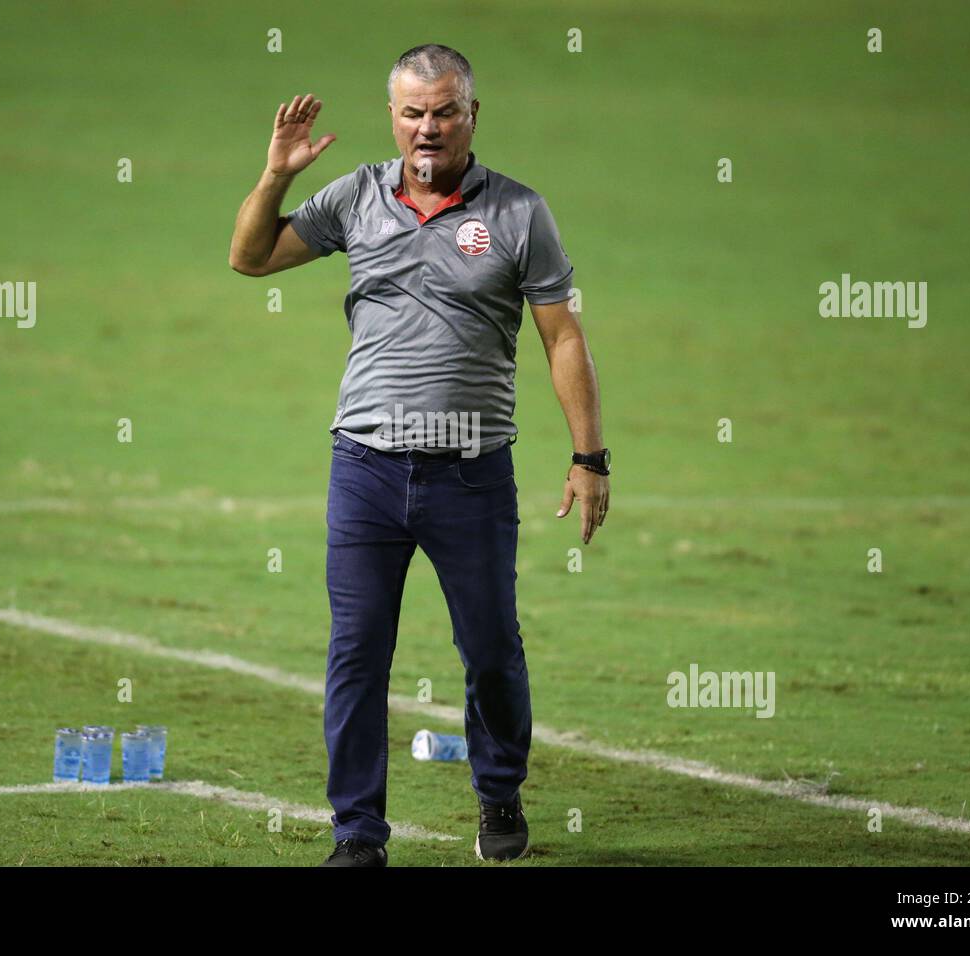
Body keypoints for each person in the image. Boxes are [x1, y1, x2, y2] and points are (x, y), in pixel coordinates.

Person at [229, 44, 609, 866]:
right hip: (365, 467)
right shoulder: (356, 196)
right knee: (357, 651)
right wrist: (276, 177)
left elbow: (562, 336)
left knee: (491, 650)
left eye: (444, 111)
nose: (427, 128)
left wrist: (591, 457)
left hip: (472, 475)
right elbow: (250, 257)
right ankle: (358, 835)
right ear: (393, 117)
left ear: (472, 114)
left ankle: (499, 791)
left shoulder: (518, 213)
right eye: (412, 113)